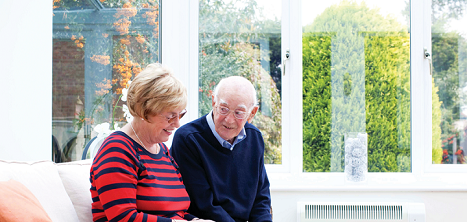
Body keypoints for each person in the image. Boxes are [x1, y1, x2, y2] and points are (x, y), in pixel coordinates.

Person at [90, 63, 214, 222]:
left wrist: (195, 220)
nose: (177, 124)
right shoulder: (117, 150)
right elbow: (123, 217)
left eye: (180, 115)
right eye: (170, 116)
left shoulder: (162, 151)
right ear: (145, 111)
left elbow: (177, 212)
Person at [170, 76, 273, 222]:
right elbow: (203, 205)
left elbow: (261, 198)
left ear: (252, 113)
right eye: (223, 109)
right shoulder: (188, 139)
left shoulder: (254, 137)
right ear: (213, 102)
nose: (229, 120)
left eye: (238, 113)